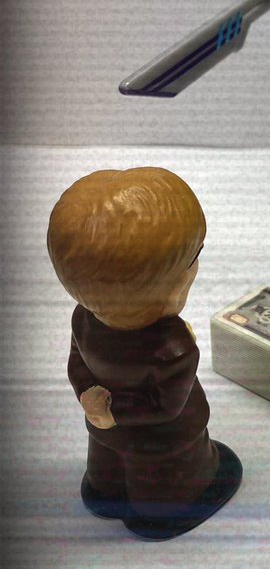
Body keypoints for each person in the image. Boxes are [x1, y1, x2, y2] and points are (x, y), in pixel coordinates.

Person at [47, 166, 242, 541]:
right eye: (193, 259)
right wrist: (113, 413)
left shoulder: (83, 318)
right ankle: (163, 509)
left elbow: (76, 364)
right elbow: (167, 406)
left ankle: (105, 489)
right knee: (166, 488)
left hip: (102, 428)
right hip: (165, 443)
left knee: (106, 467)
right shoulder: (173, 348)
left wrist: (95, 405)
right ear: (173, 287)